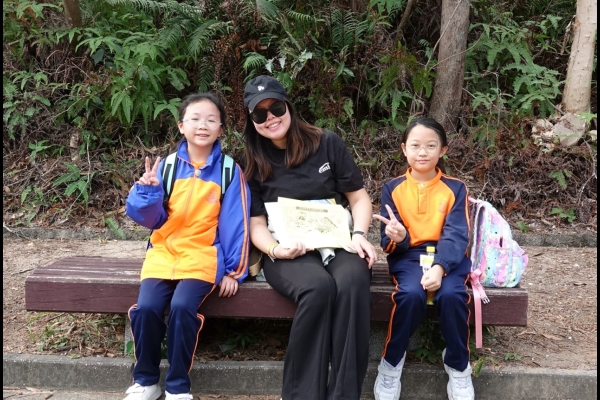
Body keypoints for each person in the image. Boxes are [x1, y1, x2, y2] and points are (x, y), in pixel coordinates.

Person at [242, 75, 377, 400]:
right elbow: (256, 224)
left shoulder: (326, 142)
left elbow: (358, 198)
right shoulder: (253, 161)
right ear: (251, 120)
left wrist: (360, 234)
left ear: (288, 106)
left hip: (337, 240)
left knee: (353, 280)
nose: (270, 118)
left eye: (276, 108)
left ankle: (344, 394)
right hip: (287, 249)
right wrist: (275, 249)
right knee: (317, 287)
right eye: (260, 114)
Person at [124, 92, 250, 400]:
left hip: (202, 256)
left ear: (221, 129)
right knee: (147, 309)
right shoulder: (166, 167)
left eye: (211, 120)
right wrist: (147, 192)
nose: (202, 125)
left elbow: (237, 224)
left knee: (182, 308)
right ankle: (146, 381)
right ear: (181, 126)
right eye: (195, 119)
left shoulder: (229, 170)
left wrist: (234, 271)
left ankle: (178, 386)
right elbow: (151, 220)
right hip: (162, 253)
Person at [372, 117, 474, 400]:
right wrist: (400, 236)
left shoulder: (455, 188)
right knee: (410, 294)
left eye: (431, 146)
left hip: (448, 258)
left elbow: (456, 235)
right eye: (415, 145)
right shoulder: (393, 188)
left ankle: (459, 365)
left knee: (452, 295)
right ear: (404, 149)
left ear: (443, 150)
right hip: (409, 257)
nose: (423, 152)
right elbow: (388, 242)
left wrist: (440, 267)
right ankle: (391, 364)